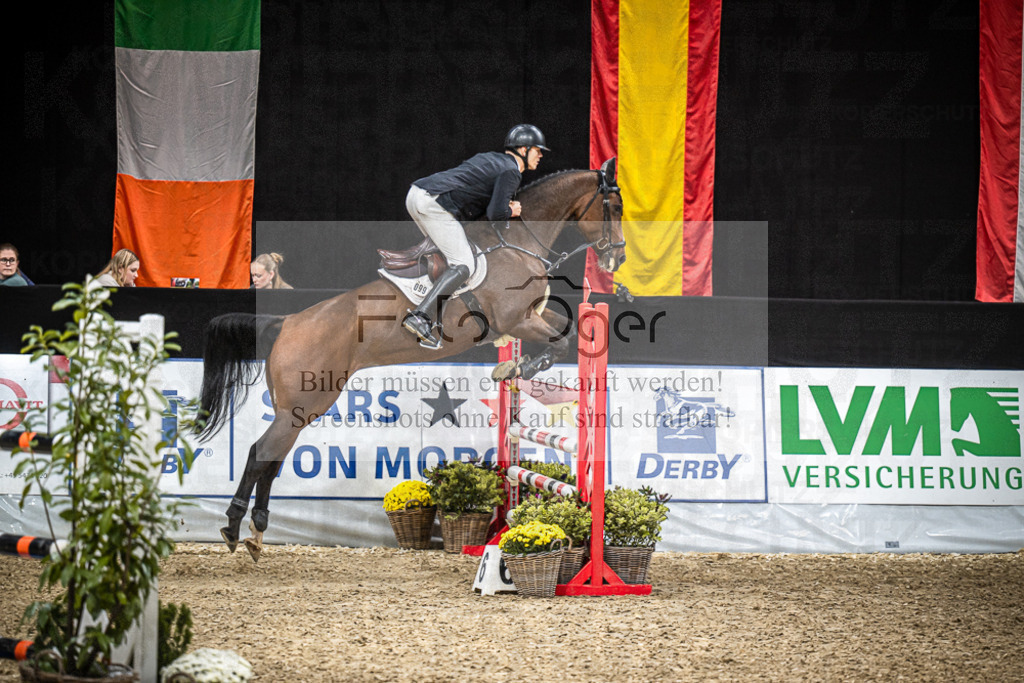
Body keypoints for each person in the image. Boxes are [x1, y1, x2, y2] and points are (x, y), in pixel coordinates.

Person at [401, 123, 549, 349]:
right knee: (464, 264)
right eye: (537, 150)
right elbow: (496, 214)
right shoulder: (511, 171)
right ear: (523, 149)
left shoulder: (491, 158)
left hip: (417, 194)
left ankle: (430, 310)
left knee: (450, 258)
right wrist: (512, 211)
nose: (540, 155)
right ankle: (420, 316)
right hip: (434, 203)